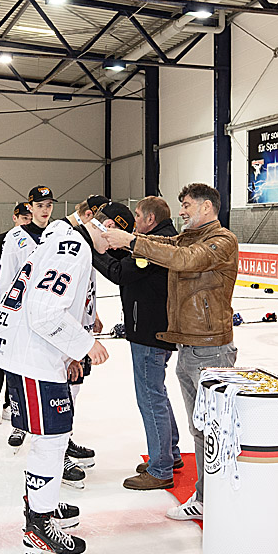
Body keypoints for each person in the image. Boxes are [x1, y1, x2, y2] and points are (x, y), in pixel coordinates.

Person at [103, 183, 238, 521]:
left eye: (187, 205)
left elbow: (184, 259)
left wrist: (131, 241)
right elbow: (167, 244)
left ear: (207, 208)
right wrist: (126, 240)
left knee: (213, 430)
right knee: (201, 428)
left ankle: (216, 498)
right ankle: (207, 498)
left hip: (211, 349)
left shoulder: (221, 242)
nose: (182, 211)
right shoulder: (189, 237)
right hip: (190, 346)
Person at [0, 210, 111, 554]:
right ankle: (38, 527)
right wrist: (84, 346)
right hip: (34, 358)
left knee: (52, 439)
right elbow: (44, 313)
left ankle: (42, 506)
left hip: (35, 356)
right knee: (52, 440)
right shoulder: (74, 246)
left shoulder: (61, 238)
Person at [92, 197, 183, 491]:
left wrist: (96, 252)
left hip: (149, 331)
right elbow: (130, 267)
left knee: (150, 396)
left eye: (139, 216)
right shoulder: (157, 240)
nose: (135, 220)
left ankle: (160, 468)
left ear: (151, 219)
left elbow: (122, 274)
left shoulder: (157, 244)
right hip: (152, 328)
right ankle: (171, 454)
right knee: (156, 392)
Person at [42, 194, 110, 484]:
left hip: (79, 327)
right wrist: (71, 347)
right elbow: (56, 297)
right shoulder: (62, 235)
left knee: (74, 390)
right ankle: (56, 452)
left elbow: (84, 284)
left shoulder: (80, 238)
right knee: (61, 393)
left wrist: (92, 313)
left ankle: (64, 439)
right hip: (62, 333)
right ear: (89, 215)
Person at [0, 186, 57, 447]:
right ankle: (19, 423)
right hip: (21, 316)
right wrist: (7, 314)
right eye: (40, 205)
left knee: (49, 370)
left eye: (48, 205)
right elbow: (5, 278)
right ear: (29, 207)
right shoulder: (15, 237)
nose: (45, 210)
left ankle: (53, 426)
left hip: (49, 314)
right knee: (18, 370)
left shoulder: (58, 235)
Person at [0, 202, 32, 424]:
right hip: (2, 307)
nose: (27, 222)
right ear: (15, 217)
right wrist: (12, 286)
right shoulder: (1, 240)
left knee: (19, 358)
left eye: (30, 218)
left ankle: (11, 403)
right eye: (24, 218)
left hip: (27, 310)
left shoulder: (42, 240)